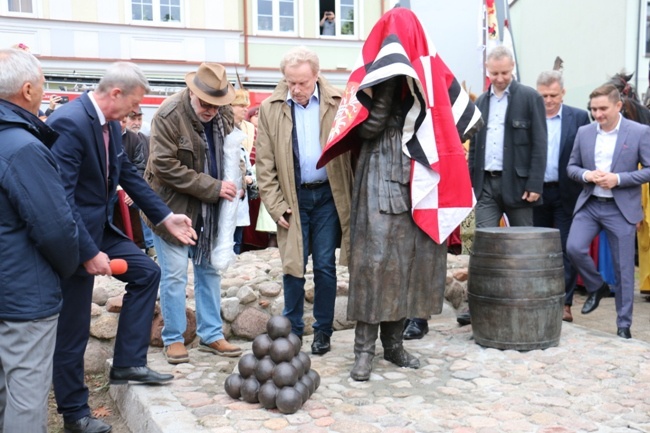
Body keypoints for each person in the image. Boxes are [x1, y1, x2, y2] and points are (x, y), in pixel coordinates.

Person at [318, 7, 481, 381]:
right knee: (374, 267)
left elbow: (463, 122)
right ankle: (363, 352)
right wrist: (389, 87)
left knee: (408, 266)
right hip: (380, 177)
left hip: (418, 178)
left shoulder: (430, 71)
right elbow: (366, 128)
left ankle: (394, 346)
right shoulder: (371, 76)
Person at [47, 61, 197, 433]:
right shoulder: (69, 121)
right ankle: (75, 414)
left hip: (102, 230)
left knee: (147, 272)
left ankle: (128, 363)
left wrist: (164, 217)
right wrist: (85, 252)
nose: (136, 111)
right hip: (72, 237)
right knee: (74, 328)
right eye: (134, 103)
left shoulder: (110, 123)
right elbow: (60, 199)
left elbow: (128, 174)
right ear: (115, 93)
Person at [0, 47, 79, 433]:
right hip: (23, 297)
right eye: (44, 85)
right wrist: (66, 267)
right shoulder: (24, 148)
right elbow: (56, 229)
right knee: (26, 397)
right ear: (27, 90)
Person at [144, 62, 243, 365]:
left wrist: (233, 182)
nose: (211, 111)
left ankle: (212, 334)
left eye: (217, 105)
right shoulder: (168, 114)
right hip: (171, 208)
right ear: (192, 92)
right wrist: (213, 186)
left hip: (210, 209)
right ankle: (173, 337)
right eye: (205, 104)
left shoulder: (222, 112)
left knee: (209, 270)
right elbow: (164, 165)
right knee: (174, 275)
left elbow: (230, 150)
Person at [256, 46, 352, 355]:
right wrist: (274, 204)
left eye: (303, 83)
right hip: (292, 198)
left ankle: (323, 331)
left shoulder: (337, 102)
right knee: (293, 266)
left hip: (327, 196)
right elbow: (264, 165)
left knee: (324, 265)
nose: (296, 89)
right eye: (290, 82)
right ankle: (293, 330)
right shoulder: (271, 108)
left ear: (316, 76)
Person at [566, 83, 650, 340]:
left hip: (621, 209)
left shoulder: (639, 132)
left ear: (618, 106)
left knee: (625, 270)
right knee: (573, 247)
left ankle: (623, 325)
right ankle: (597, 285)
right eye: (593, 109)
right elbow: (572, 167)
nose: (598, 114)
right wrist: (586, 174)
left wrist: (619, 179)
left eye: (603, 109)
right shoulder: (585, 132)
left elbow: (648, 169)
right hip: (590, 205)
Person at [468, 45, 547, 228]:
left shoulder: (530, 98)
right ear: (487, 68)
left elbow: (540, 144)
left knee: (522, 242)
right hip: (485, 185)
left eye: (504, 72)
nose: (500, 78)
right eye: (494, 73)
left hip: (518, 185)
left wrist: (535, 184)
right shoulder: (480, 102)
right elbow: (474, 146)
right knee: (484, 240)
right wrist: (473, 183)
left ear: (512, 66)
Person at [533, 71, 590, 323]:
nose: (548, 100)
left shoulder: (578, 117)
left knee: (568, 248)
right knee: (538, 249)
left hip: (568, 192)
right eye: (543, 95)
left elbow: (587, 154)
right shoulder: (530, 116)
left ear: (563, 93)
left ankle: (565, 303)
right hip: (535, 193)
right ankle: (540, 298)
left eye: (553, 95)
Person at [124, 106, 157, 258]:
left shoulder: (146, 140)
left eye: (139, 119)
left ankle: (151, 245)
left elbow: (146, 169)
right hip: (115, 187)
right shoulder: (112, 137)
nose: (136, 123)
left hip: (137, 185)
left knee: (146, 202)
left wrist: (135, 191)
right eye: (133, 119)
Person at [231, 89, 256, 254]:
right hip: (228, 193)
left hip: (241, 195)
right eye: (240, 105)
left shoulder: (243, 129)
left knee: (237, 240)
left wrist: (249, 177)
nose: (245, 109)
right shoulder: (224, 129)